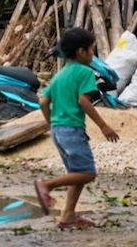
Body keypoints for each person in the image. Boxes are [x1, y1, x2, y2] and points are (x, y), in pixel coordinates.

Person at [33, 27, 120, 229]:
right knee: (88, 173)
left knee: (76, 172)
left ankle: (68, 216)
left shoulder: (59, 75)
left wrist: (50, 122)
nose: (92, 54)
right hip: (72, 130)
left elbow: (43, 102)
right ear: (81, 52)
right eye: (91, 50)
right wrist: (103, 126)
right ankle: (46, 184)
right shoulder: (85, 73)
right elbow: (84, 101)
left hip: (58, 130)